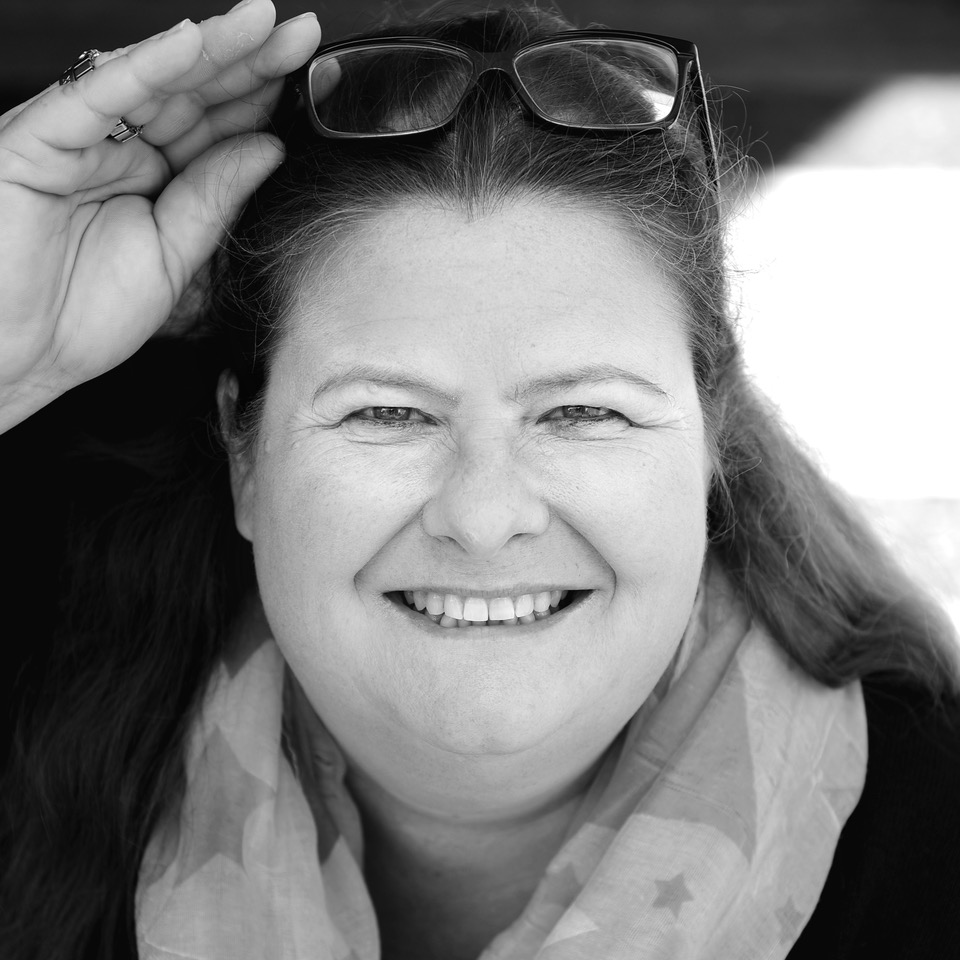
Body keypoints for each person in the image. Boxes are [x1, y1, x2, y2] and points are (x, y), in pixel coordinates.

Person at [1, 2, 958, 958]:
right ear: (243, 452)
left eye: (583, 412)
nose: (485, 517)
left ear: (713, 438)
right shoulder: (36, 732)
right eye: (388, 414)